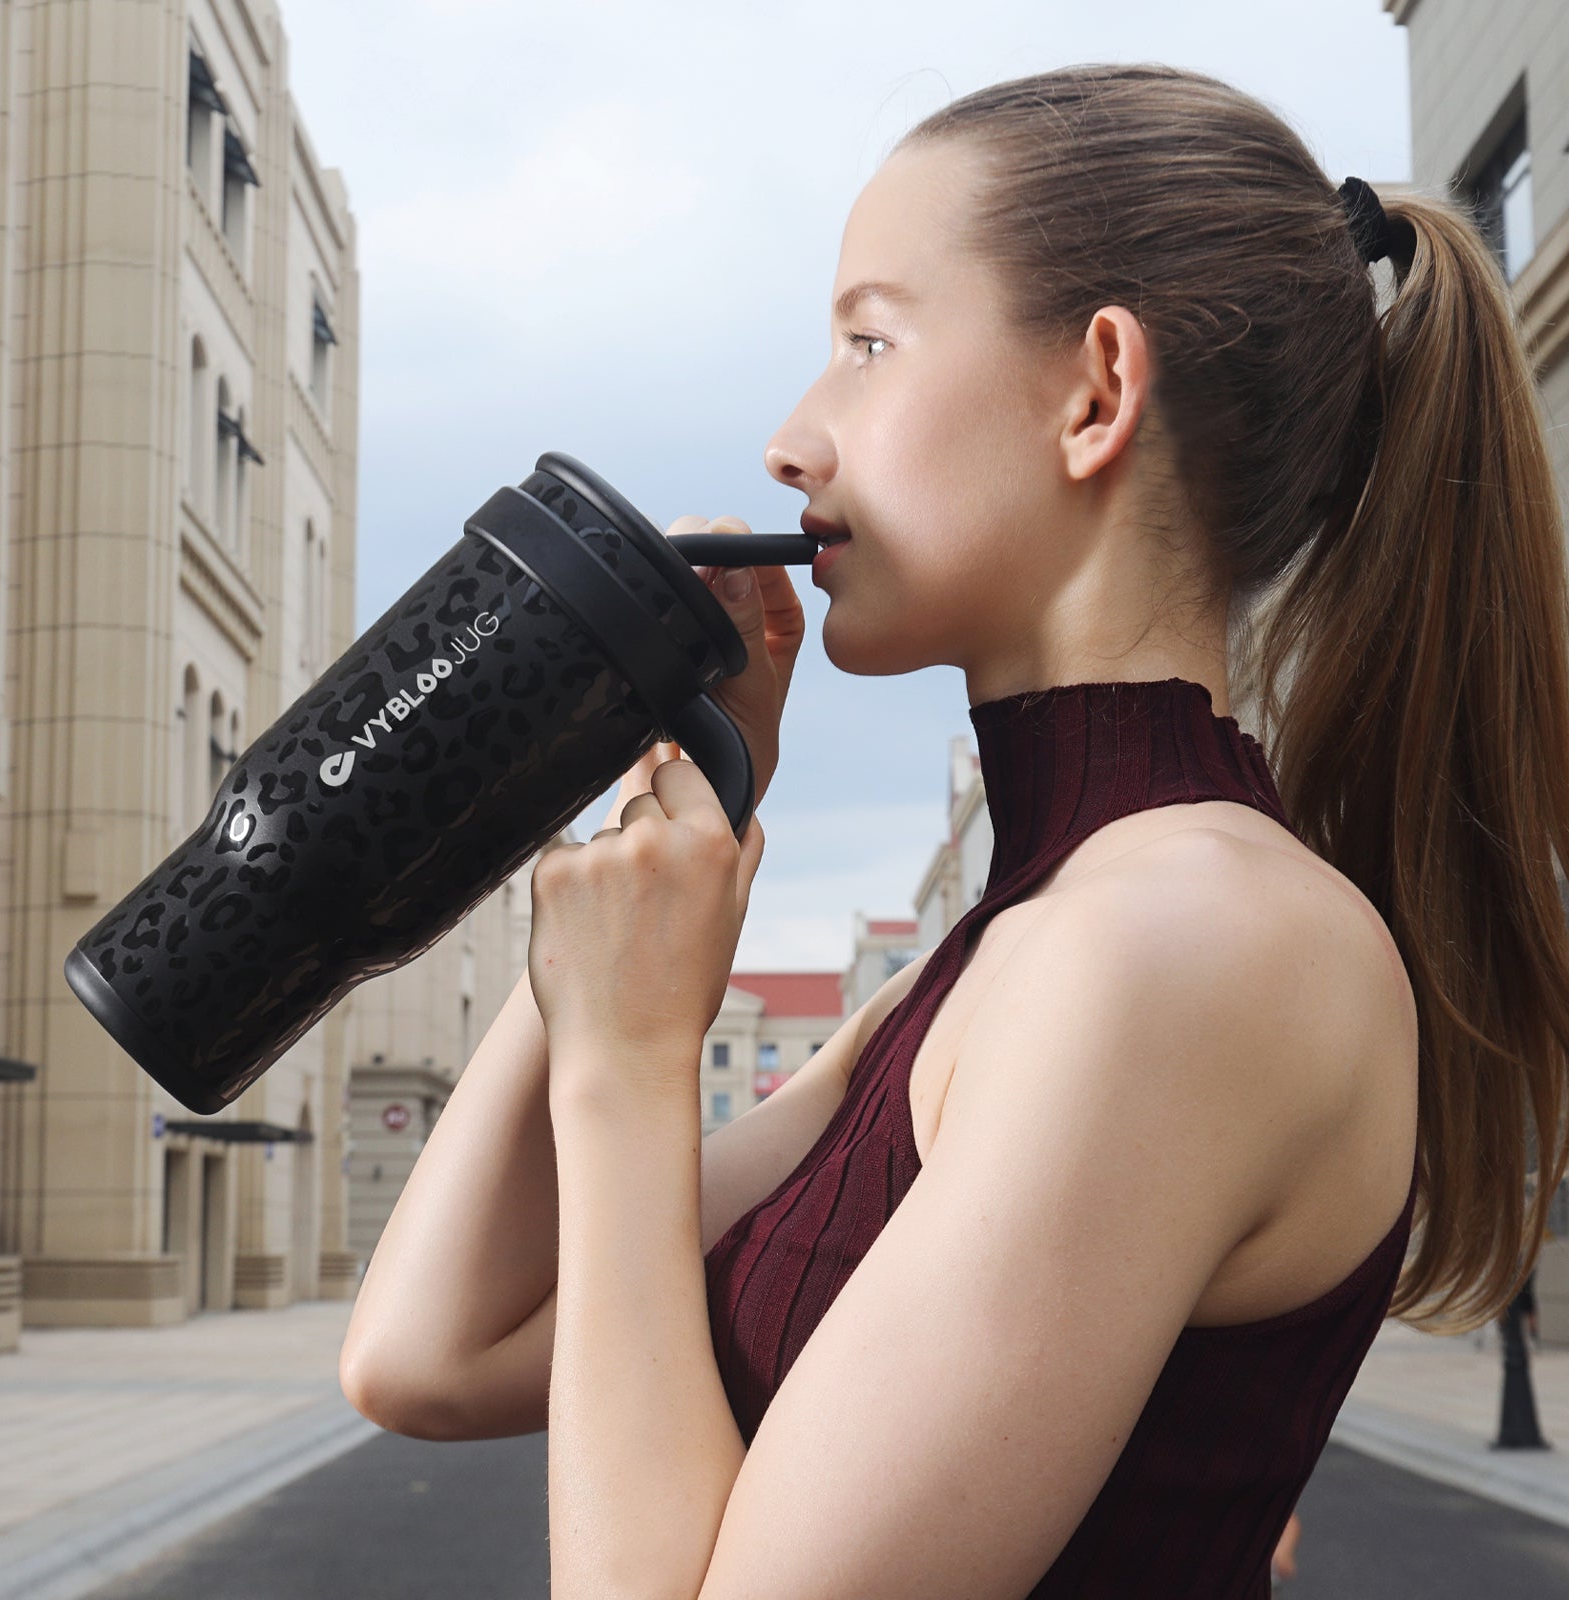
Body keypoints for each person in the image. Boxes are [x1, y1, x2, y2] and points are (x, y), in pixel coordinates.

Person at [340, 64, 1569, 1597]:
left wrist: (631, 1059)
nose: (793, 440)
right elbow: (430, 1351)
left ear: (1096, 392)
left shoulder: (1188, 944)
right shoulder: (1017, 952)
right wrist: (682, 799)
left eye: (868, 342)